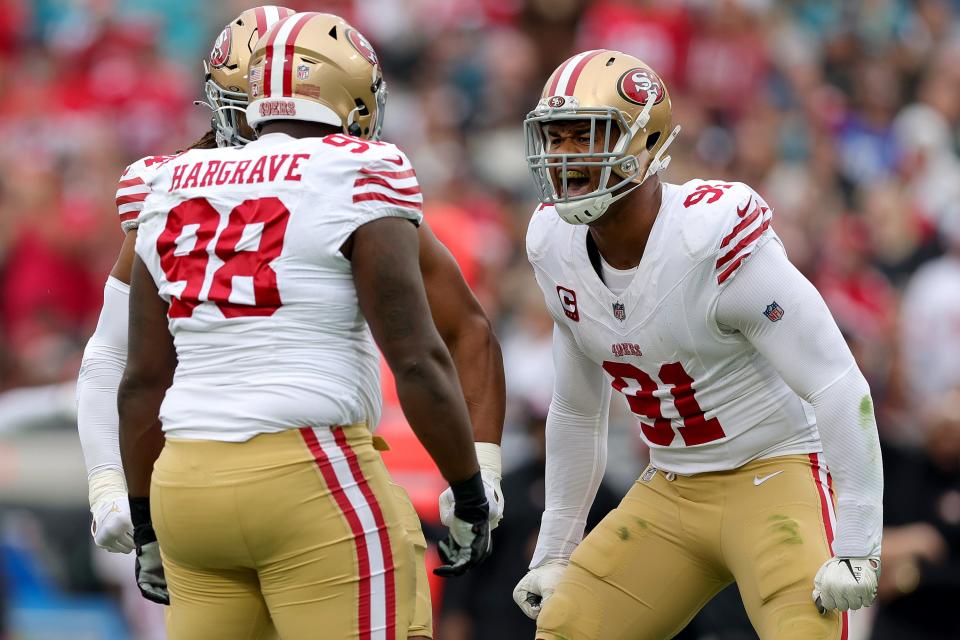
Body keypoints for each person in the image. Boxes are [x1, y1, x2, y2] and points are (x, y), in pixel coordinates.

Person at [78, 7, 506, 638]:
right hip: (310, 468)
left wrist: (140, 515)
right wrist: (471, 489)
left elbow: (141, 380)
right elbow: (418, 358)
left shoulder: (164, 184)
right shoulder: (358, 172)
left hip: (185, 486)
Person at [512, 50, 883, 640]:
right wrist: (556, 549)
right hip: (673, 484)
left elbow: (838, 383)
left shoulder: (711, 240)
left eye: (585, 136)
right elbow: (579, 409)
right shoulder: (553, 244)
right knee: (568, 627)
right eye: (554, 139)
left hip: (774, 472)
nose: (563, 156)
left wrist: (860, 543)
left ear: (645, 142)